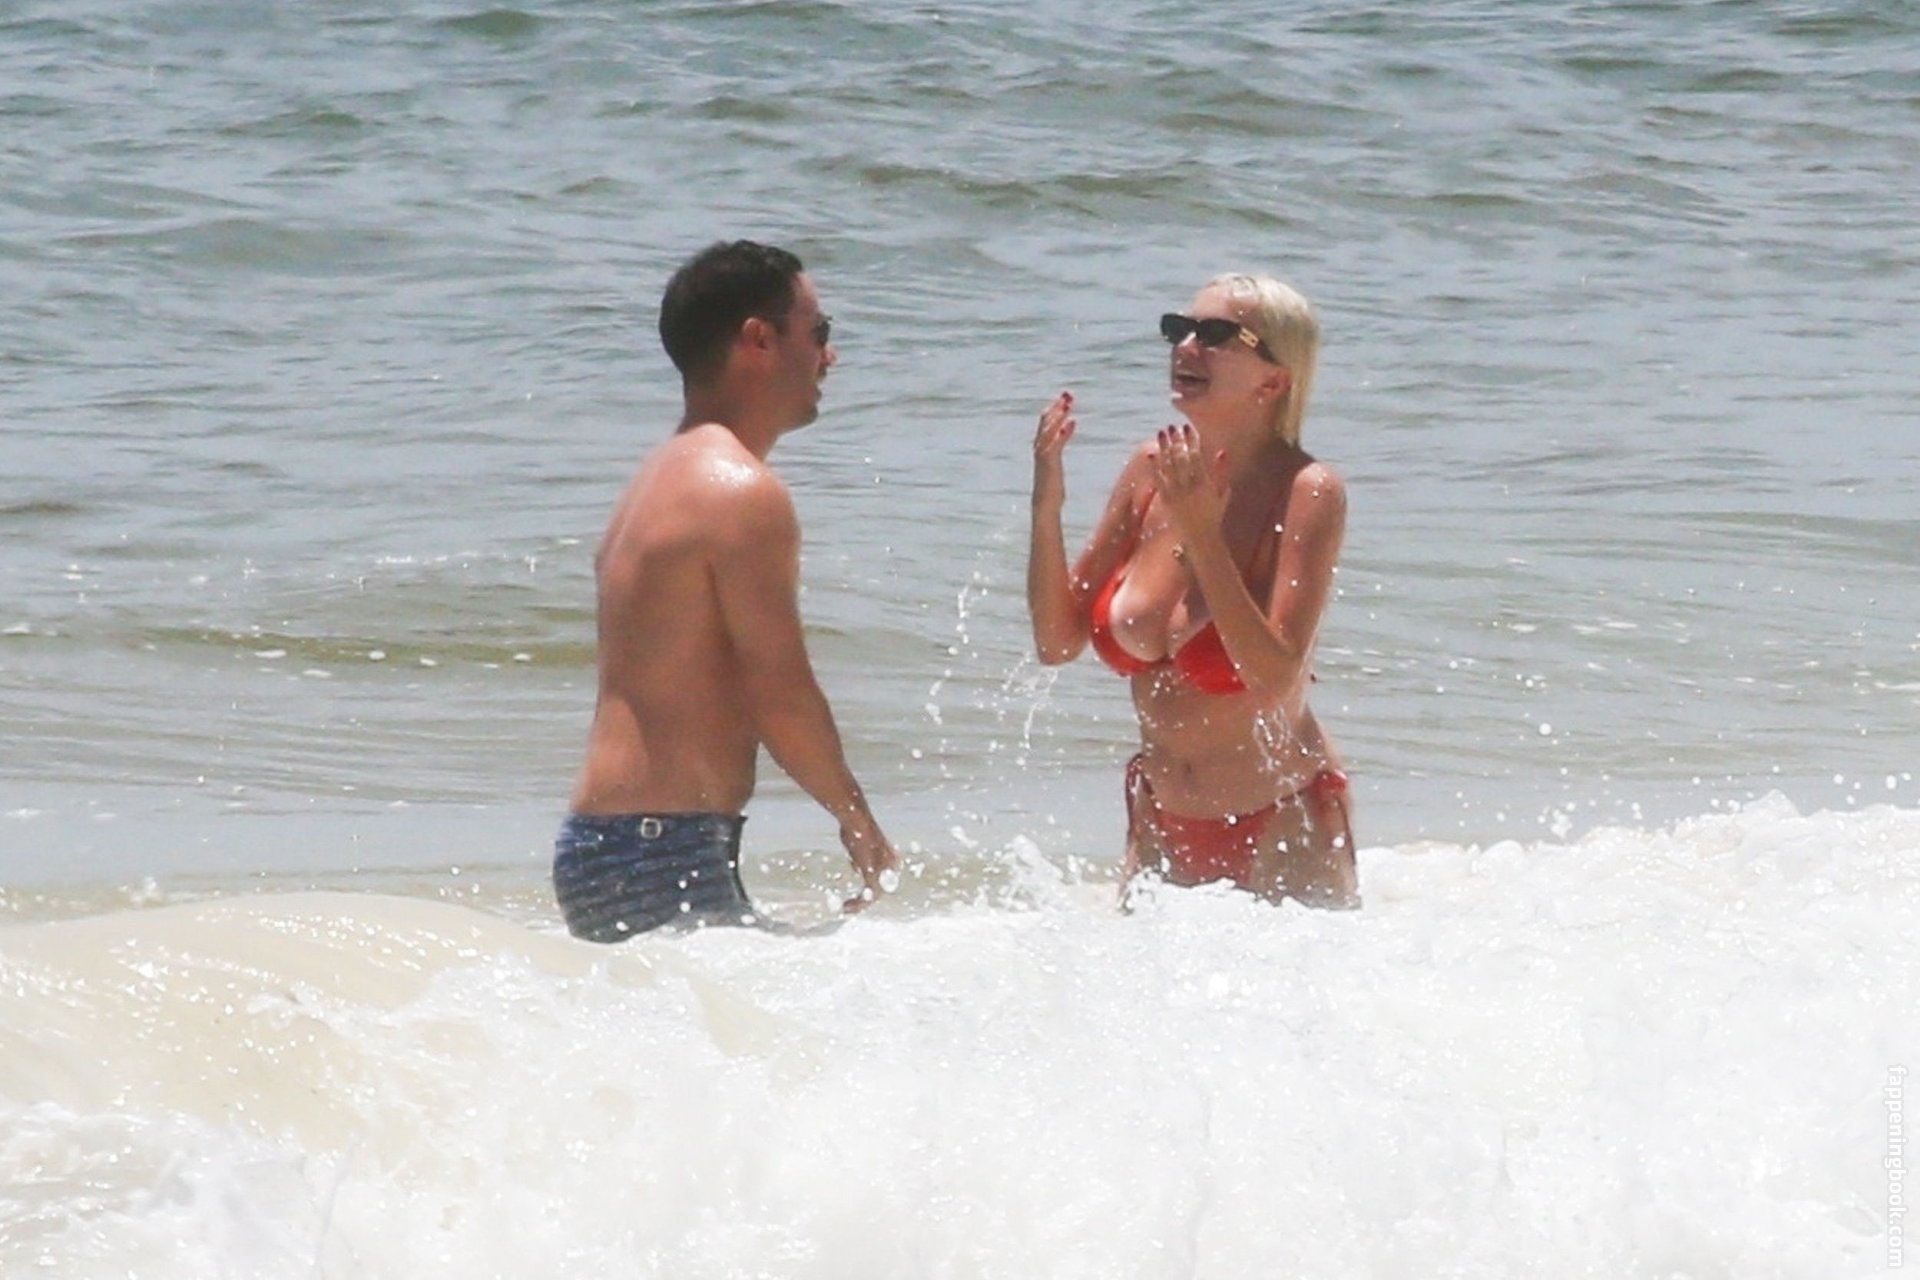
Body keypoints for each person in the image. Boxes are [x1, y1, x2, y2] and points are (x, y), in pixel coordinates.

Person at [553, 240, 900, 940]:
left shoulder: (657, 481)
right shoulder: (738, 492)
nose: (830, 356)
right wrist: (857, 820)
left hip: (614, 845)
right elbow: (778, 690)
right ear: (759, 340)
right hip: (659, 849)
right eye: (819, 333)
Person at [1027, 273, 1357, 908]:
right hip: (1157, 821)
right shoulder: (1151, 469)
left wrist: (1204, 534)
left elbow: (1274, 676)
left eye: (1216, 335)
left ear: (1274, 380)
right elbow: (1056, 642)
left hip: (1283, 818)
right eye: (1178, 330)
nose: (1186, 347)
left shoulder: (1309, 491)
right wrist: (1046, 506)